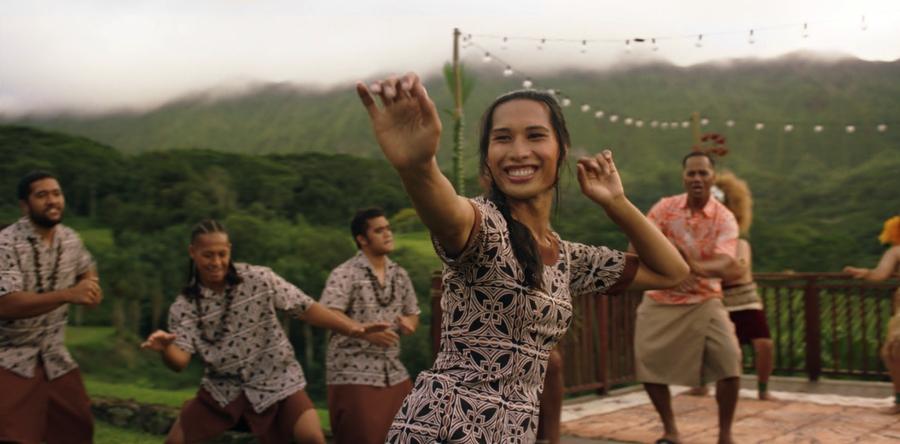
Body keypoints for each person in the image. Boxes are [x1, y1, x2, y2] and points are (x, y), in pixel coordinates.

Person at [356, 72, 689, 443]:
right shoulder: (484, 229)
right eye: (502, 139)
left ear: (561, 149)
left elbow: (672, 271)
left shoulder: (567, 258)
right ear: (488, 160)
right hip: (446, 427)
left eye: (535, 135)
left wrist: (616, 203)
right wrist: (417, 168)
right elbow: (448, 215)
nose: (518, 151)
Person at [140, 220, 390, 444]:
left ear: (230, 250)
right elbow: (179, 362)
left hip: (278, 379)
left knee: (312, 437)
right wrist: (165, 349)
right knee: (175, 441)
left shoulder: (259, 279)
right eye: (207, 255)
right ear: (192, 253)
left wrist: (354, 329)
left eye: (221, 254)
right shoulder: (184, 306)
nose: (216, 262)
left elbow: (305, 308)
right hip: (223, 390)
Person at [635, 151, 743, 444]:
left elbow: (725, 263)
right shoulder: (664, 208)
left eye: (703, 173)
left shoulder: (724, 217)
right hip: (660, 297)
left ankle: (725, 435)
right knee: (647, 362)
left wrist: (687, 268)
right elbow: (639, 243)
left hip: (704, 299)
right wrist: (666, 271)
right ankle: (670, 430)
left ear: (712, 177)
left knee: (730, 362)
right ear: (683, 177)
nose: (697, 178)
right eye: (691, 173)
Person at [0, 170, 103, 444]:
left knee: (78, 429)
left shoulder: (70, 239)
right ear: (25, 205)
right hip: (9, 356)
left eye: (56, 193)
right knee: (14, 435)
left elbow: (86, 268)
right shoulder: (6, 244)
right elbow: (6, 304)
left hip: (53, 355)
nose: (52, 200)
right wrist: (69, 294)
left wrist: (90, 289)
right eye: (42, 195)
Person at [319, 207, 420, 444]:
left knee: (414, 431)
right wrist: (364, 333)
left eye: (388, 229)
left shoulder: (400, 275)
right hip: (353, 368)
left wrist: (409, 324)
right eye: (379, 230)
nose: (387, 234)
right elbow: (328, 313)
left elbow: (413, 312)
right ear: (362, 239)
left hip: (393, 370)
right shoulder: (345, 274)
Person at [685, 172, 777, 400]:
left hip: (746, 298)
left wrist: (715, 268)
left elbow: (738, 269)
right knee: (710, 345)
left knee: (764, 344)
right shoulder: (704, 246)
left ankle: (763, 389)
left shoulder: (740, 243)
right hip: (718, 297)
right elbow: (713, 269)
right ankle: (701, 384)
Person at [844, 214, 900, 414]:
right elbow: (880, 274)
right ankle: (899, 400)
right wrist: (866, 273)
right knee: (895, 351)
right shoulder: (896, 251)